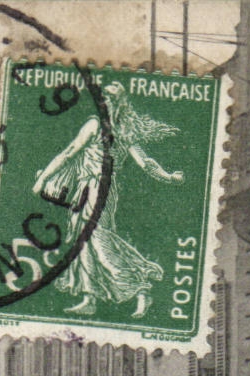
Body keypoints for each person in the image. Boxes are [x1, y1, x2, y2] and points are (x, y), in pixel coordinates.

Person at [33, 81, 183, 317]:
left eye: (108, 98)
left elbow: (71, 152)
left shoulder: (102, 126)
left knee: (98, 240)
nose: (104, 102)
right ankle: (89, 296)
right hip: (89, 188)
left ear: (115, 102)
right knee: (83, 241)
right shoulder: (121, 130)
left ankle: (140, 287)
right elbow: (145, 163)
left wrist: (43, 179)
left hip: (97, 188)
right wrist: (169, 176)